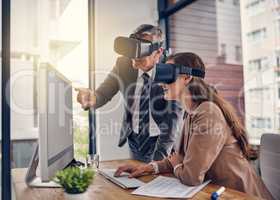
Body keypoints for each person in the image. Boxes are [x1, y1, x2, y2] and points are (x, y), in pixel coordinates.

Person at [114, 52, 274, 200]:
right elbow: (182, 158)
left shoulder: (208, 112)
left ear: (186, 77)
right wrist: (148, 168)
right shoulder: (192, 112)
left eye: (167, 74)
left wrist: (177, 164)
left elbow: (191, 176)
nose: (161, 82)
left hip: (238, 195)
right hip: (214, 192)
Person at [76, 24, 182, 162]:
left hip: (161, 142)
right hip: (135, 140)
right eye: (132, 48)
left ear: (158, 52)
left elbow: (173, 121)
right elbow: (104, 92)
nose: (134, 56)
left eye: (141, 50)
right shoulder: (123, 65)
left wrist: (157, 164)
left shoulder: (170, 70)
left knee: (156, 181)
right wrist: (91, 98)